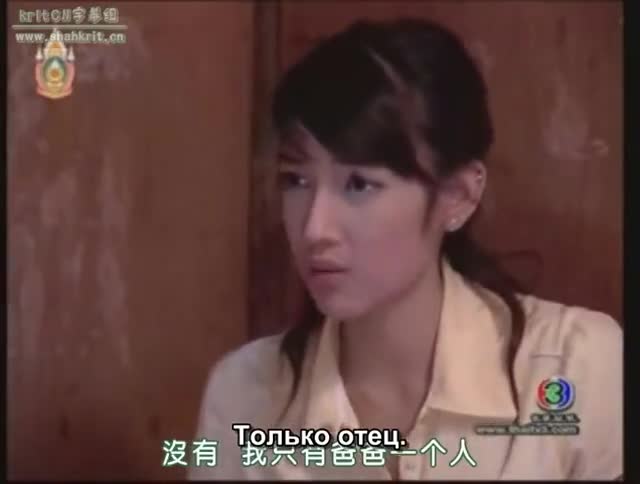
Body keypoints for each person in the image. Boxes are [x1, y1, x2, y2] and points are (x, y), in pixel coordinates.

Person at [188, 18, 622, 480]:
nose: (315, 228)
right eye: (296, 180)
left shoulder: (575, 365)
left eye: (359, 184)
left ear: (458, 196)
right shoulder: (245, 395)